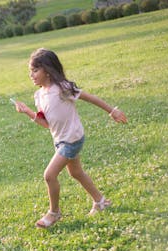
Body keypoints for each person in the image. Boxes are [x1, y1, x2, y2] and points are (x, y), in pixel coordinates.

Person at [12, 48, 128, 229]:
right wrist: (27, 112)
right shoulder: (39, 95)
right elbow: (46, 124)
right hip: (60, 140)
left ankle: (54, 213)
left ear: (48, 70)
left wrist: (112, 111)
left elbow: (91, 99)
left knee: (49, 175)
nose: (31, 75)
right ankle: (100, 201)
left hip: (72, 139)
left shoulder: (63, 89)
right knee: (76, 173)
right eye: (30, 71)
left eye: (35, 71)